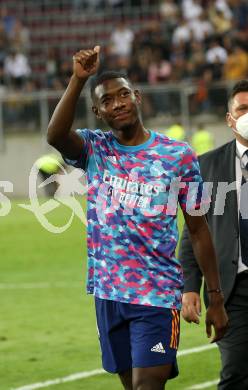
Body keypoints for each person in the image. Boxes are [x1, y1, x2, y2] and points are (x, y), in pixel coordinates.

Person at [47, 46, 228, 390]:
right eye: (108, 100)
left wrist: (214, 297)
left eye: (124, 95)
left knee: (148, 386)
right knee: (131, 386)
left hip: (157, 295)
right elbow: (55, 136)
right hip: (108, 293)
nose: (118, 103)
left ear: (137, 97)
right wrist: (77, 79)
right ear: (98, 111)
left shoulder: (178, 156)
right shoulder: (94, 149)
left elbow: (199, 230)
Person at [179, 79, 248, 390]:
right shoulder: (205, 167)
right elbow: (191, 233)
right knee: (235, 374)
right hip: (231, 290)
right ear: (230, 118)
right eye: (243, 109)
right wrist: (191, 287)